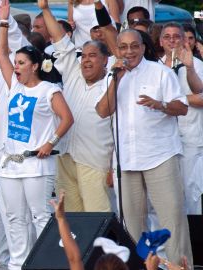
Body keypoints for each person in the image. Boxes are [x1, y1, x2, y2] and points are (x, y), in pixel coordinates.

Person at [95, 28, 193, 265]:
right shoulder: (113, 76)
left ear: (142, 47)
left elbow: (182, 108)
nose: (129, 51)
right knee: (131, 226)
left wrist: (160, 105)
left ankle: (180, 267)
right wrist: (116, 79)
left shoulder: (160, 73)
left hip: (160, 155)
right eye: (124, 47)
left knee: (172, 222)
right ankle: (139, 267)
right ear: (117, 50)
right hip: (127, 160)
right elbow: (102, 111)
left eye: (134, 46)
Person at [0, 1, 74, 269]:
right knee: (14, 218)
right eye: (16, 63)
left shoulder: (48, 91)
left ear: (35, 66)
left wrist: (50, 142)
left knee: (40, 216)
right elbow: (1, 53)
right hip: (11, 164)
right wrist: (3, 21)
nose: (16, 66)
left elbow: (67, 118)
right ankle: (18, 263)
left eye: (22, 63)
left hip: (37, 164)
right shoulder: (13, 85)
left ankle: (45, 262)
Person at [41, 0, 114, 212]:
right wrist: (45, 9)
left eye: (93, 56)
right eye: (85, 56)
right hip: (65, 157)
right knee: (72, 221)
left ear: (105, 61)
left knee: (97, 219)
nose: (86, 61)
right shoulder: (73, 71)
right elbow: (59, 38)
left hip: (95, 162)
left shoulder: (113, 81)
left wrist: (113, 167)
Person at [159, 22, 203, 215]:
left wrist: (175, 101)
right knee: (166, 193)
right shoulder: (155, 67)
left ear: (185, 40)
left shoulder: (197, 65)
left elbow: (201, 96)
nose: (172, 40)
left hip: (190, 138)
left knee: (191, 190)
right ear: (160, 41)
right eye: (167, 37)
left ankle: (195, 240)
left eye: (176, 36)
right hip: (162, 140)